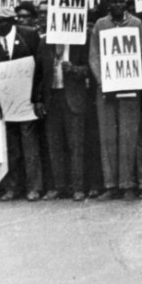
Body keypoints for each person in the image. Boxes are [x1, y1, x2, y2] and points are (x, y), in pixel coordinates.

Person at [88, 0, 142, 200]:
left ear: (127, 3)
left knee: (128, 135)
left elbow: (139, 53)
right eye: (114, 1)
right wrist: (102, 81)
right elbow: (94, 56)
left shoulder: (136, 24)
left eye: (122, 1)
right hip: (106, 88)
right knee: (108, 137)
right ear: (108, 3)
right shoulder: (100, 25)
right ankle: (111, 184)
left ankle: (127, 183)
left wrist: (130, 77)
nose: (118, 5)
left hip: (129, 86)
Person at [0, 6, 44, 201]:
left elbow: (39, 66)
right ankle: (12, 187)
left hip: (26, 98)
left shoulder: (29, 35)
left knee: (29, 144)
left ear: (10, 22)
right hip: (5, 100)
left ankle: (33, 187)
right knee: (10, 146)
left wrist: (37, 97)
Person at [41, 29, 91, 201]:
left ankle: (78, 188)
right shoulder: (45, 41)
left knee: (75, 144)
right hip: (52, 98)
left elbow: (91, 67)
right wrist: (38, 99)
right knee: (54, 145)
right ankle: (58, 186)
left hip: (73, 97)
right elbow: (39, 71)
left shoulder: (80, 39)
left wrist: (74, 69)